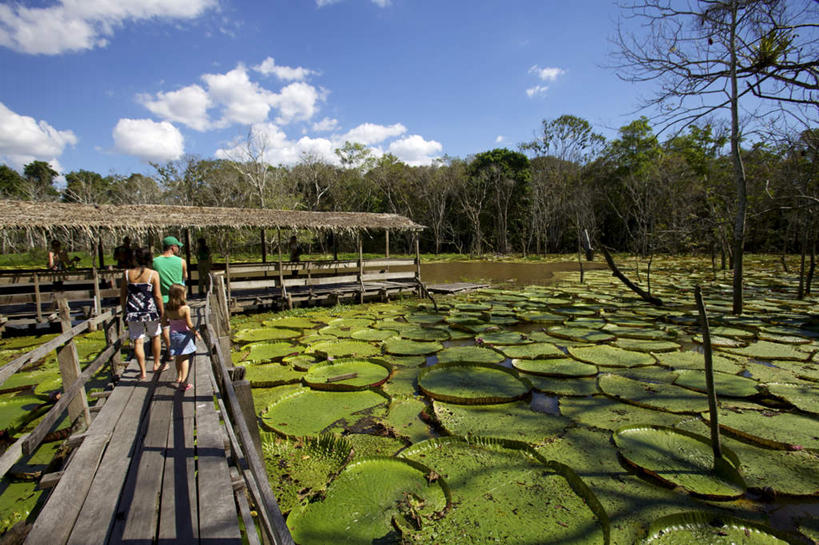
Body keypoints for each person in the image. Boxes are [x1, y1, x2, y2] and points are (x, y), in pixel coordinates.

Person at [119, 247, 164, 379]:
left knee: (138, 341)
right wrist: (162, 311)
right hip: (150, 310)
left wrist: (124, 311)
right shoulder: (153, 274)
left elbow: (123, 295)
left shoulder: (126, 274)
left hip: (133, 311)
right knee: (155, 336)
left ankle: (143, 371)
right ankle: (156, 363)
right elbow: (157, 296)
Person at [153, 236, 188, 362]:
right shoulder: (181, 262)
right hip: (179, 298)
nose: (178, 248)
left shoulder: (155, 262)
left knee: (165, 326)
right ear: (172, 247)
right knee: (180, 325)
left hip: (162, 298)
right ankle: (181, 349)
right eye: (177, 246)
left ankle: (170, 350)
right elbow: (185, 276)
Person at [162, 283, 200, 391]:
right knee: (185, 358)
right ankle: (184, 382)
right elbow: (189, 324)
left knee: (178, 357)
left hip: (173, 335)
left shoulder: (167, 309)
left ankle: (178, 377)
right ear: (181, 296)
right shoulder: (185, 309)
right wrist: (196, 333)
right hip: (184, 335)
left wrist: (173, 324)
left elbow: (164, 323)